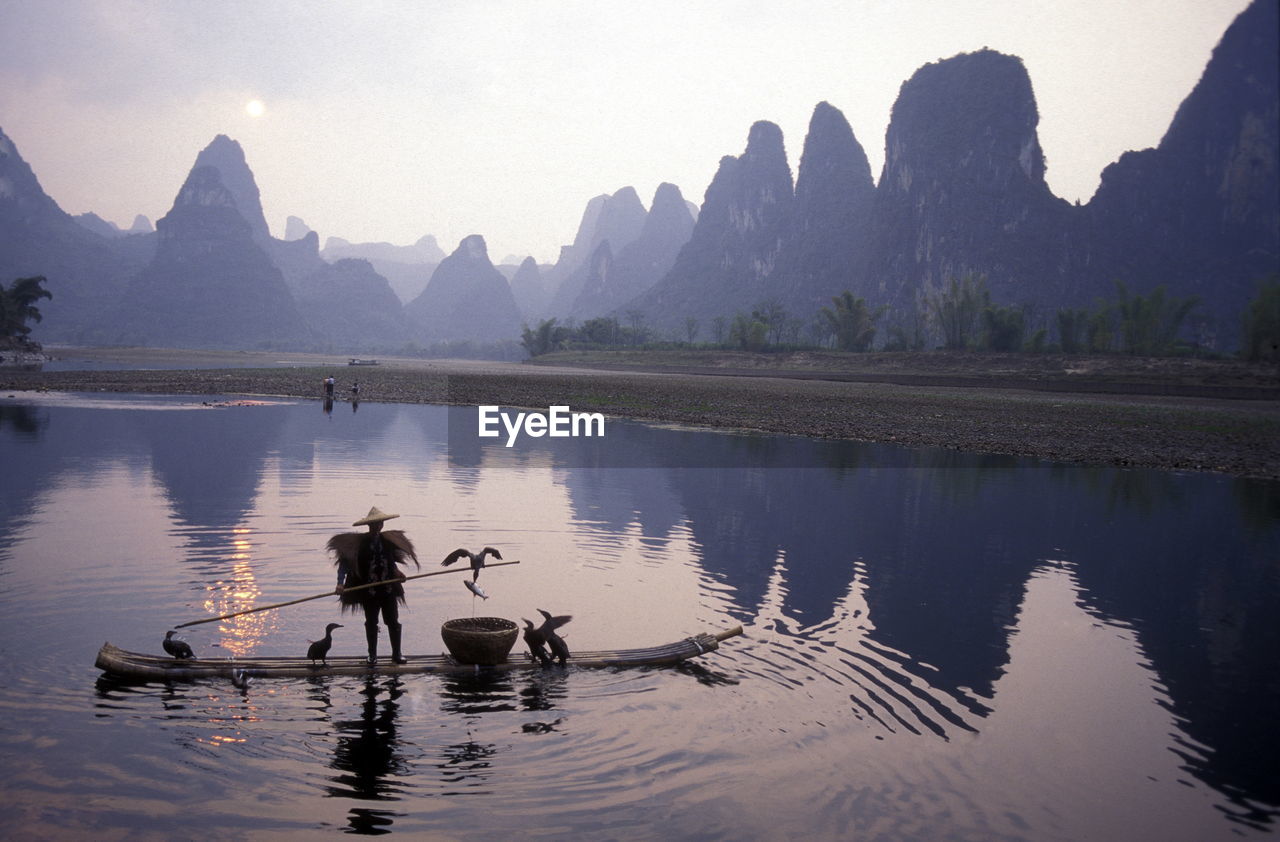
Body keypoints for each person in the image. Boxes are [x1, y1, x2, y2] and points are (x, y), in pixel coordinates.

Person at [327, 507, 419, 664]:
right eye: (374, 524)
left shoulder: (388, 541)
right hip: (369, 591)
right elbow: (344, 565)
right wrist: (340, 583)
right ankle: (372, 656)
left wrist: (397, 572)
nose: (377, 527)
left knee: (393, 621)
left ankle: (397, 654)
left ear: (382, 524)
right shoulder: (359, 543)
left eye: (379, 524)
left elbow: (390, 561)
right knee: (371, 622)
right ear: (369, 526)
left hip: (388, 589)